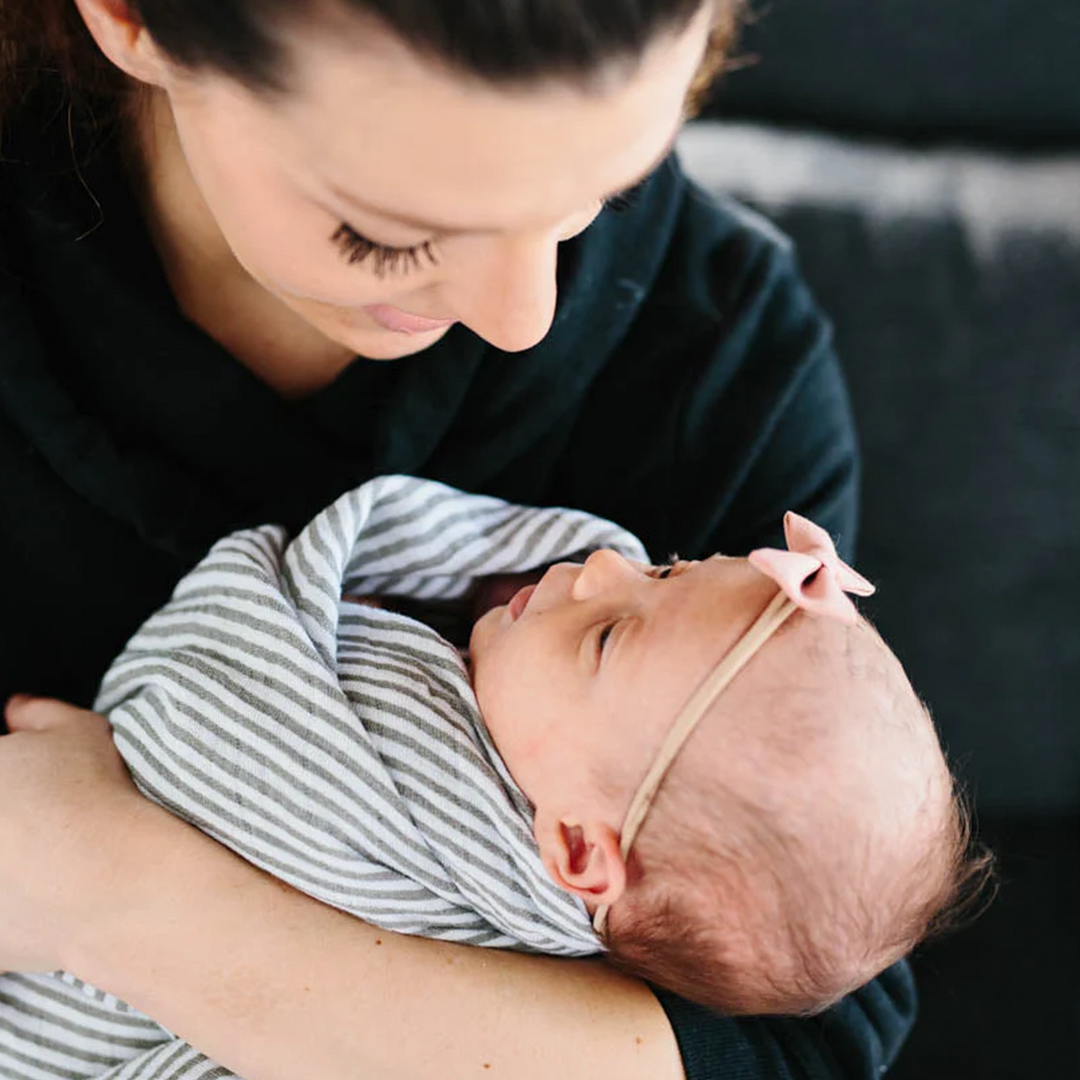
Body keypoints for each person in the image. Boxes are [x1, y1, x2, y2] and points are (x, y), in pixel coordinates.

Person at [0, 2, 921, 1079]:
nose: (524, 315)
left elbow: (793, 1032)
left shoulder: (714, 356)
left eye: (594, 196)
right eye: (391, 236)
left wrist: (126, 901)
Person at [1, 476, 978, 1079]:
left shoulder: (425, 783)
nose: (602, 564)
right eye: (667, 569)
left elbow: (223, 740)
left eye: (608, 635)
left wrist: (109, 867)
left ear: (577, 849)